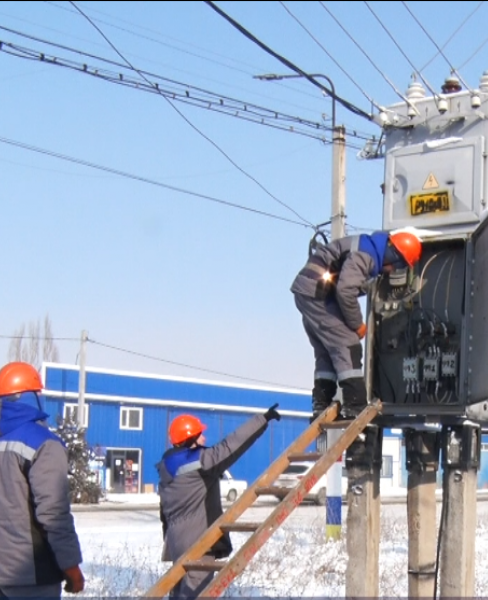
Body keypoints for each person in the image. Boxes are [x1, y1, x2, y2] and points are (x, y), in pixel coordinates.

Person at [0, 361, 85, 598]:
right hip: (31, 573)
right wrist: (71, 565)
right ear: (31, 396)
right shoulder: (44, 443)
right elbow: (53, 513)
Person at [291, 230, 422, 420]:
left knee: (327, 351)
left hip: (308, 292)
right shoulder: (365, 254)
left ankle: (322, 402)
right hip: (317, 293)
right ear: (393, 254)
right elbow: (345, 291)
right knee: (348, 343)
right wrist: (357, 324)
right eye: (399, 264)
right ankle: (355, 404)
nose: (394, 270)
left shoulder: (366, 247)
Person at [157, 405, 282, 600]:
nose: (204, 439)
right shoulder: (199, 462)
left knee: (180, 594)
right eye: (199, 435)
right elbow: (230, 446)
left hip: (176, 543)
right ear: (189, 439)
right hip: (199, 542)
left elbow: (164, 513)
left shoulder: (167, 467)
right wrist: (262, 420)